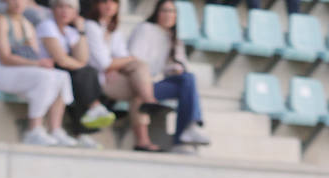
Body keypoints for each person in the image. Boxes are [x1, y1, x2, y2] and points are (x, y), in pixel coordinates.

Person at [0, 0, 77, 146]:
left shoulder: (28, 25)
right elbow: (4, 57)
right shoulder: (1, 21)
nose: (18, 3)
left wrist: (41, 64)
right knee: (44, 77)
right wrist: (37, 64)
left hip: (19, 69)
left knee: (62, 76)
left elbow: (34, 54)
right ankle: (34, 129)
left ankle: (55, 129)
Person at [127, 0, 210, 152]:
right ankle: (187, 130)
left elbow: (180, 65)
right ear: (157, 12)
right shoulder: (145, 29)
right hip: (142, 82)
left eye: (172, 12)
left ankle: (188, 130)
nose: (168, 15)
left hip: (158, 83)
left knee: (188, 79)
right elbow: (134, 59)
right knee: (187, 82)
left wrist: (175, 68)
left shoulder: (174, 38)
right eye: (164, 11)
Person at [82, 0, 159, 151]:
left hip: (113, 76)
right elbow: (103, 63)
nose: (109, 6)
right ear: (97, 5)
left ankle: (143, 139)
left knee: (140, 72)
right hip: (96, 80)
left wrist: (118, 65)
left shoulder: (113, 30)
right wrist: (125, 61)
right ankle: (149, 102)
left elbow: (119, 57)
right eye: (104, 2)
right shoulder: (90, 26)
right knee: (137, 69)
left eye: (113, 2)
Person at [35, 0, 116, 144]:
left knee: (83, 76)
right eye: (60, 6)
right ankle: (92, 111)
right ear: (53, 10)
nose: (64, 11)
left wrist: (81, 31)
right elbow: (61, 59)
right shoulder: (47, 26)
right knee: (83, 75)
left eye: (69, 7)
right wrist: (80, 66)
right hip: (44, 68)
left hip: (64, 71)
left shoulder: (70, 31)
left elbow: (82, 58)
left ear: (75, 13)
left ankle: (84, 126)